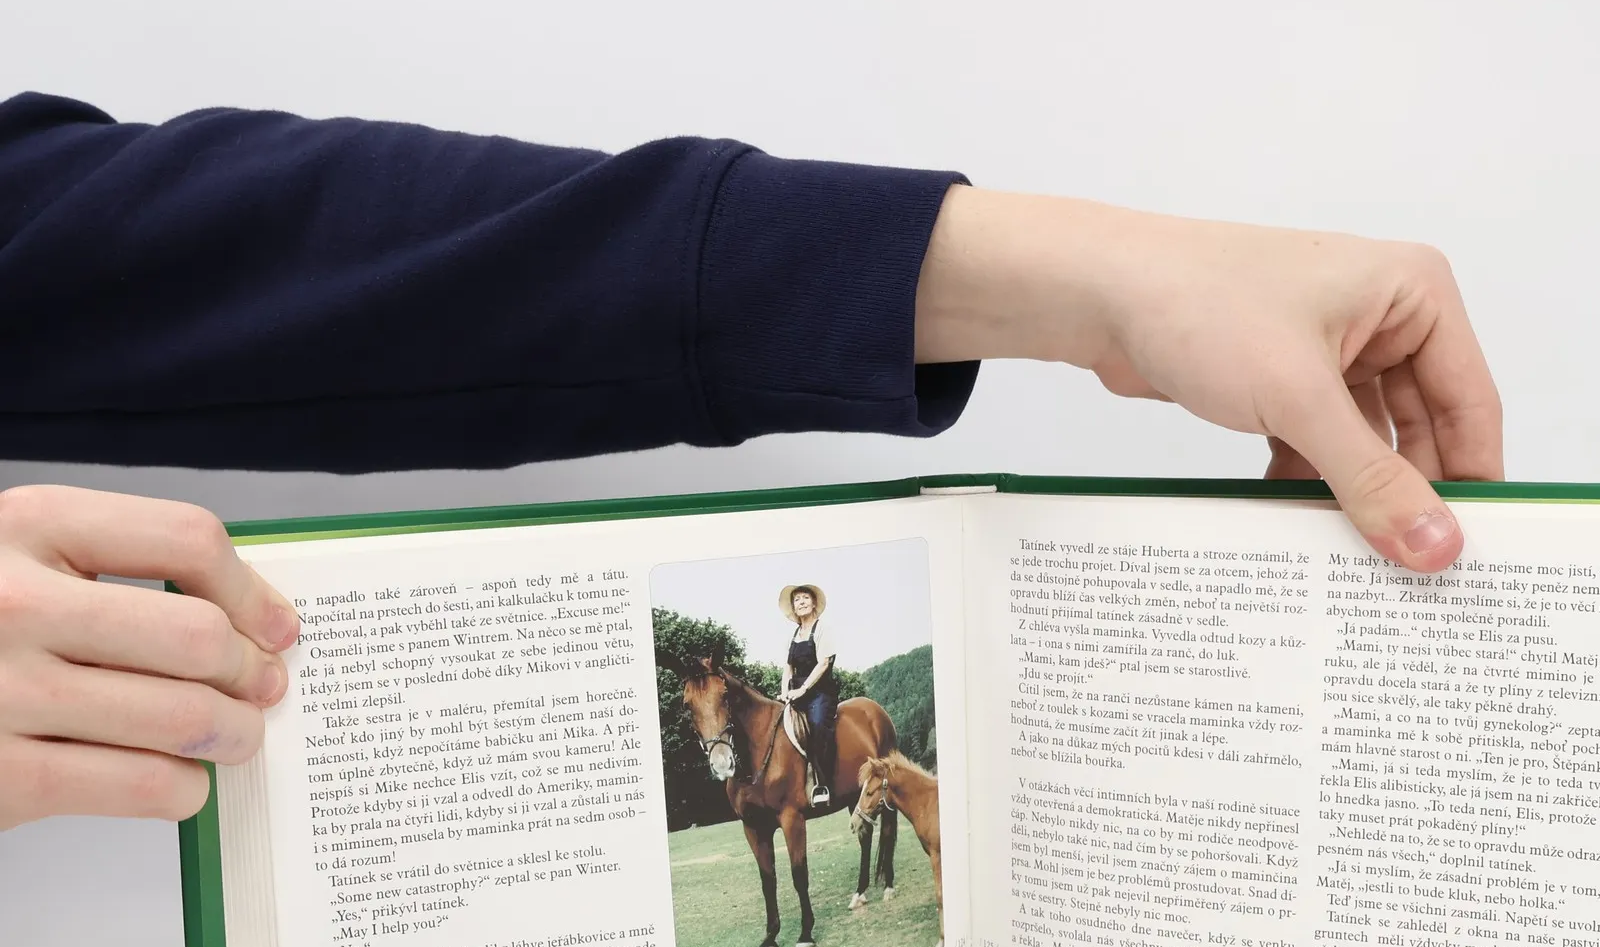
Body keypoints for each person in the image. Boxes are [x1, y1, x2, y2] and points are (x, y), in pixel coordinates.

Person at [0, 91, 1502, 833]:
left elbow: (136, 244)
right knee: (773, 730)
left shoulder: (812, 645)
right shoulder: (770, 655)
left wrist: (1096, 282)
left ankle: (844, 798)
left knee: (835, 724)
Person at [776, 584, 838, 805]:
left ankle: (823, 783)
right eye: (797, 599)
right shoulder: (792, 636)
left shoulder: (822, 629)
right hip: (795, 693)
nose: (801, 602)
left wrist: (803, 689)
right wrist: (784, 693)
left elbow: (823, 663)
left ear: (813, 603)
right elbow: (788, 668)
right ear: (793, 607)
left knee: (818, 725)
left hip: (820, 693)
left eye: (805, 598)